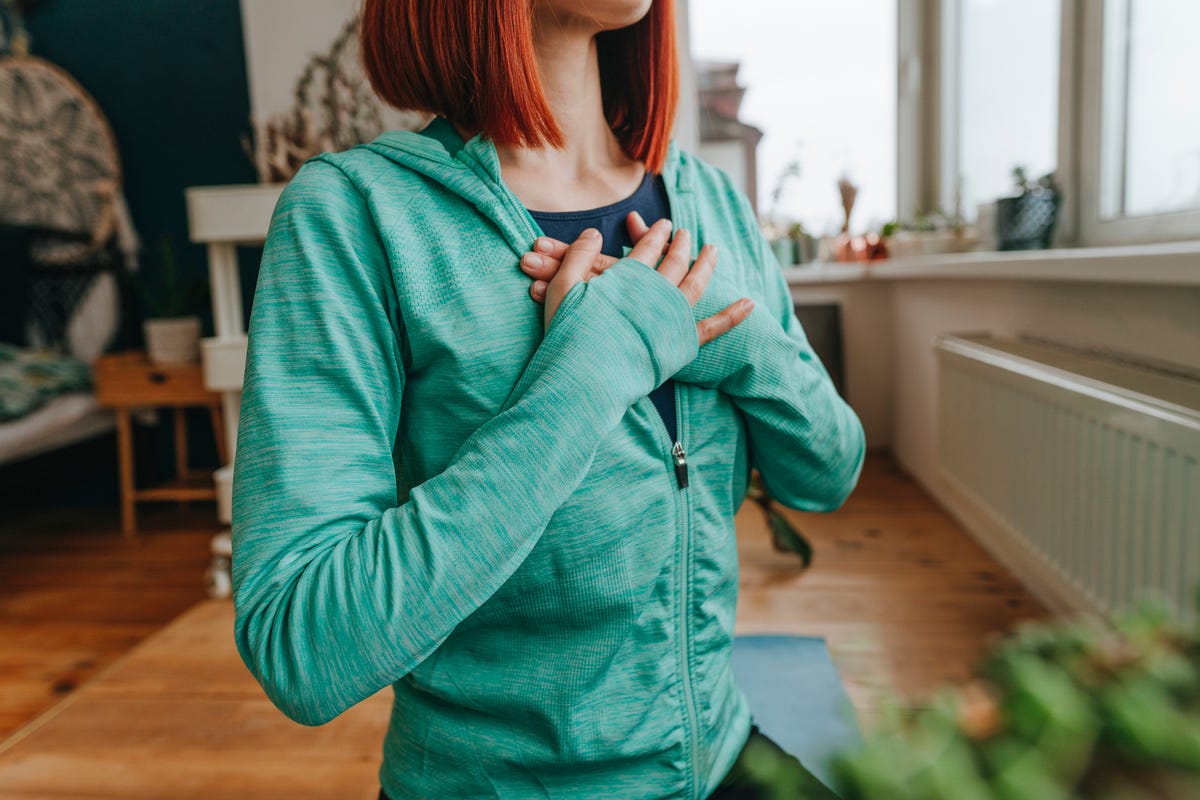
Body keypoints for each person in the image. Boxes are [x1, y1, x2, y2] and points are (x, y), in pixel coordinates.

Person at [229, 1, 866, 797]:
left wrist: (741, 341)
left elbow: (828, 472)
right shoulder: (355, 214)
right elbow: (304, 646)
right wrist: (590, 375)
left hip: (715, 751)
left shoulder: (709, 200)